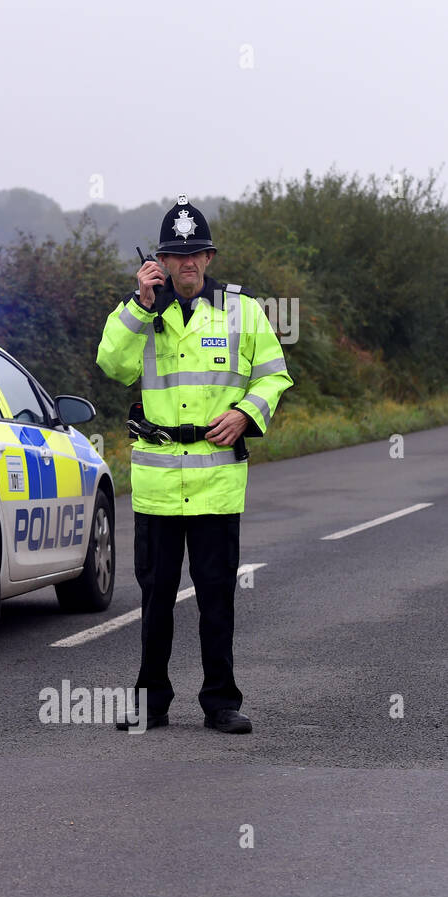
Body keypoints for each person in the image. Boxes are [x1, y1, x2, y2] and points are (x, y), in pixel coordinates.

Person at [97, 195, 293, 734]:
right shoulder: (138, 311)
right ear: (158, 261)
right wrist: (140, 304)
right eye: (175, 255)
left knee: (216, 597)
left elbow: (274, 375)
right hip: (159, 482)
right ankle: (149, 703)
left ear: (209, 258)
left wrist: (245, 414)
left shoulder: (241, 310)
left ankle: (221, 702)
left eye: (196, 254)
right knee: (156, 598)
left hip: (216, 482)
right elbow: (110, 365)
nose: (187, 263)